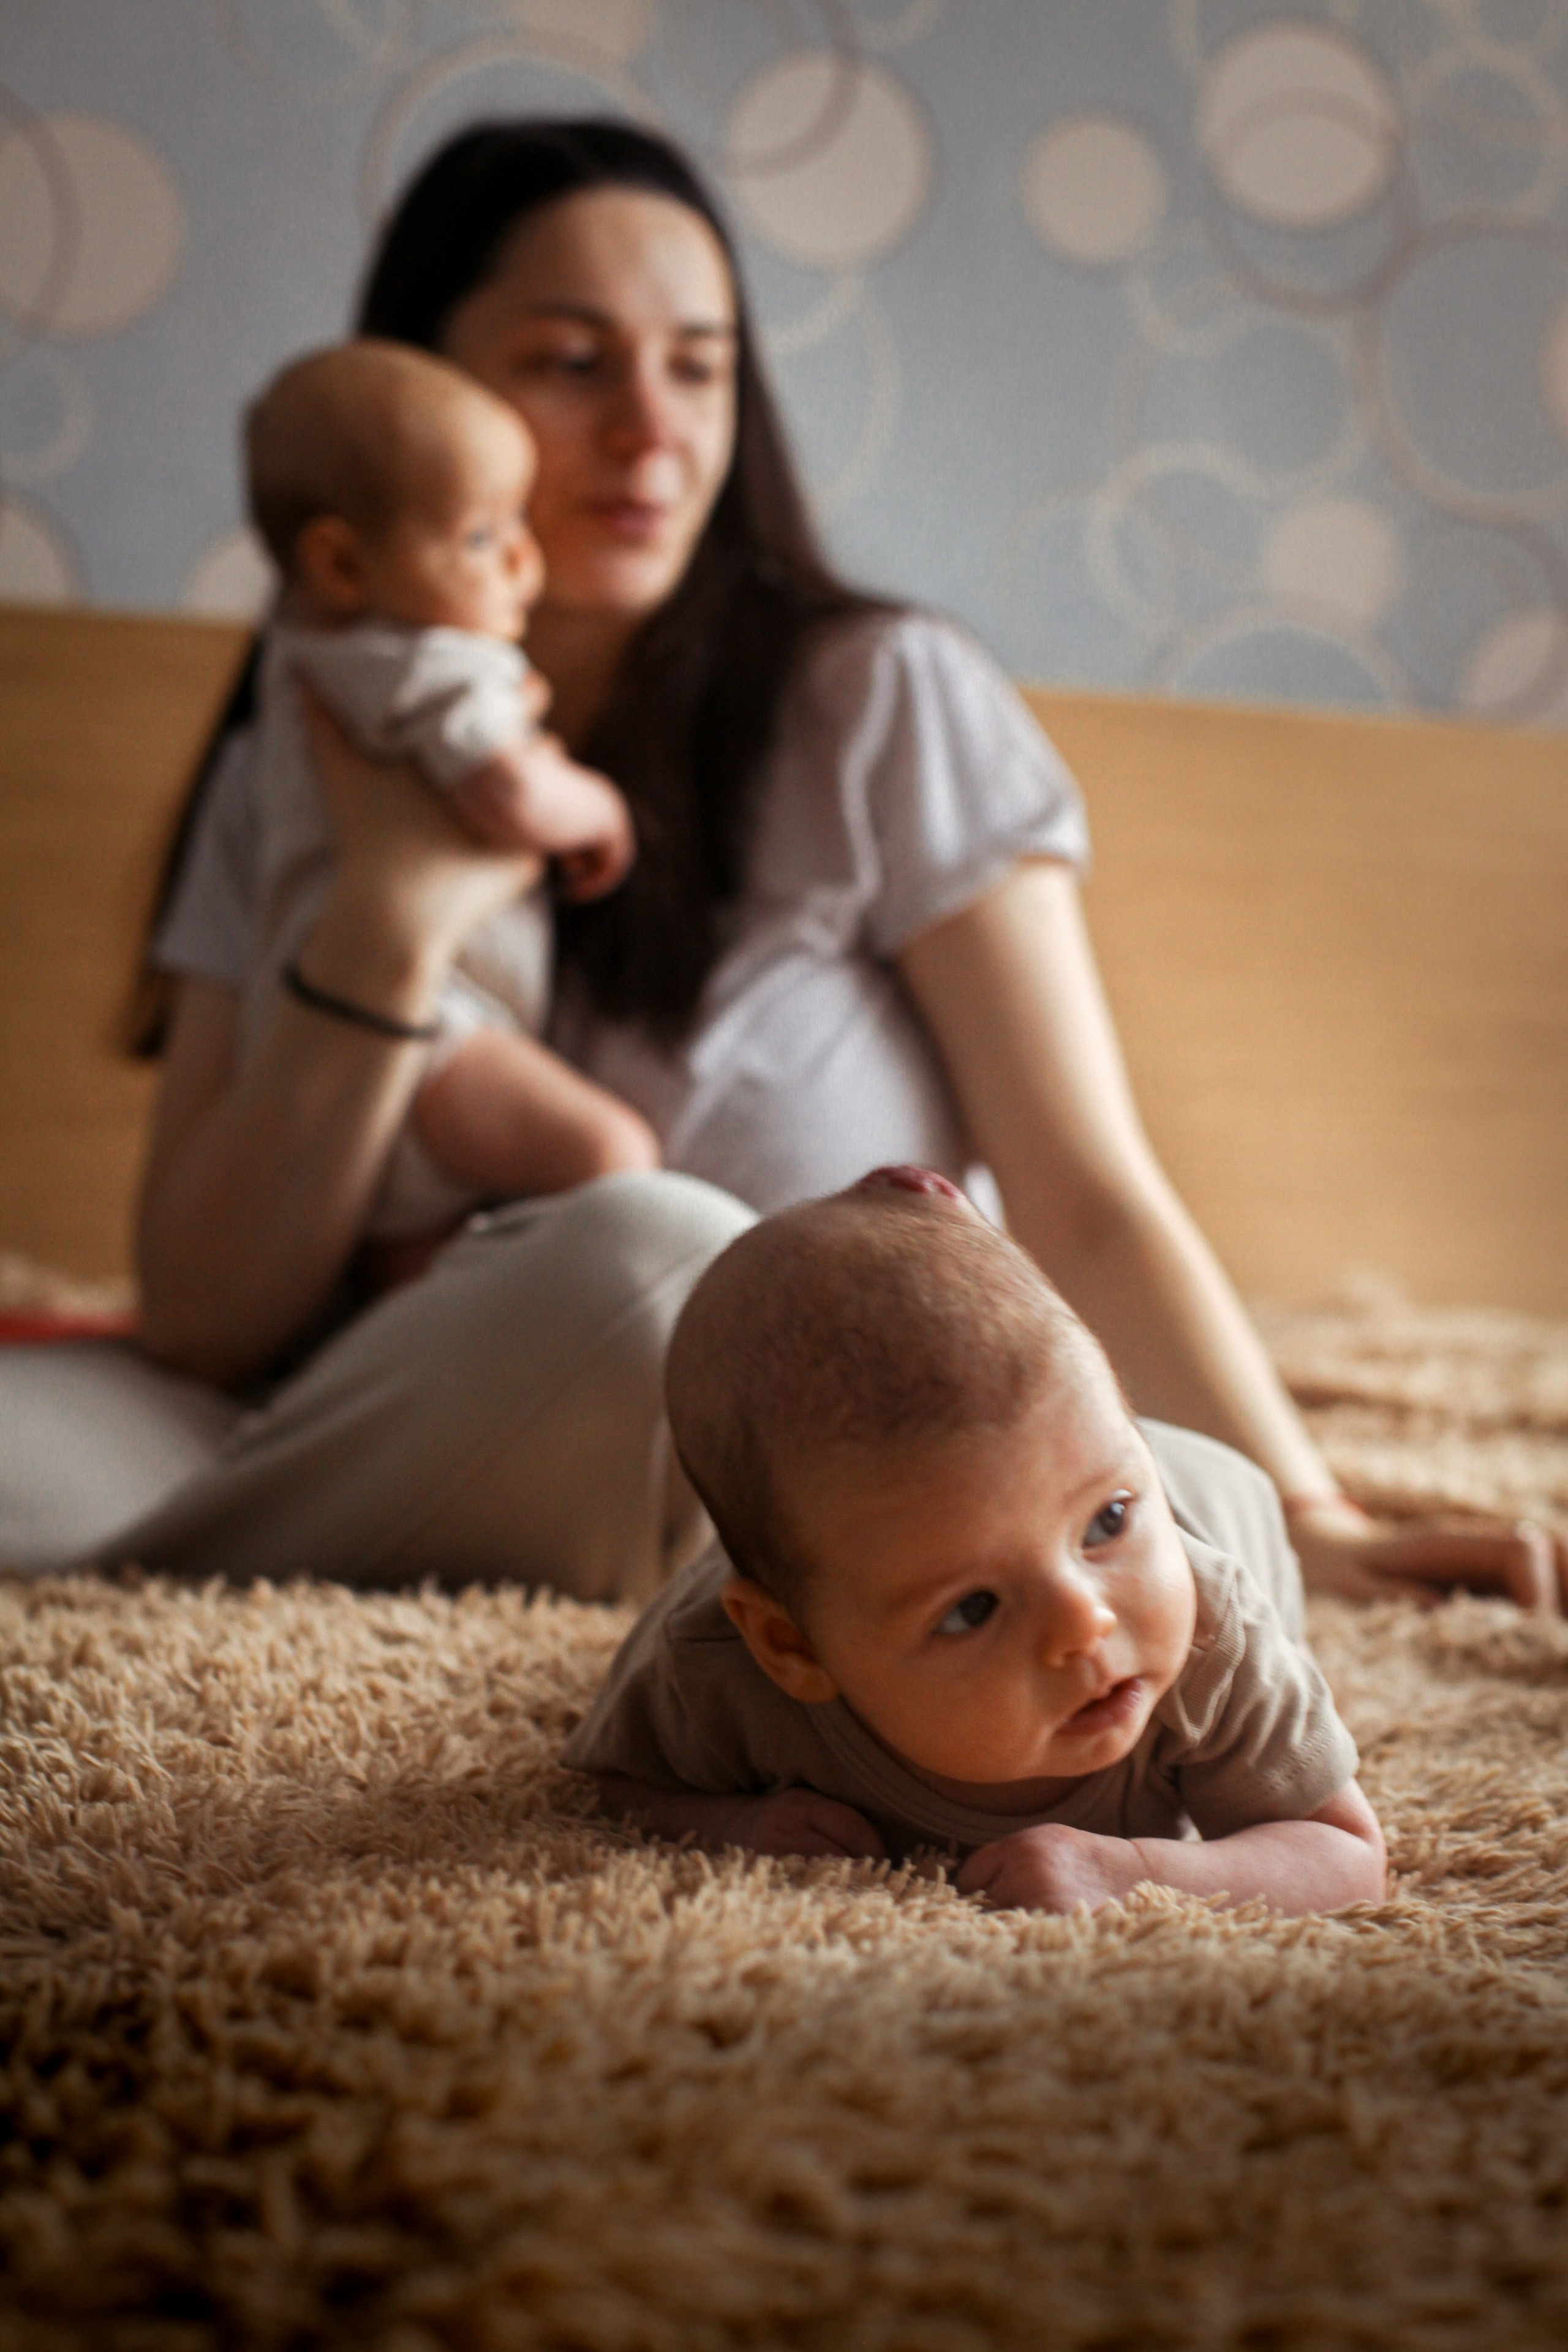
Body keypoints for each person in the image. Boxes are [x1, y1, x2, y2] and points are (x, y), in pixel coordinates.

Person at [3, 116, 1559, 1615]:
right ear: (423, 393)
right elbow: (208, 1323)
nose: (651, 430)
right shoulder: (310, 732)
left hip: (807, 1445)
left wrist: (1312, 1514)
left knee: (676, 1267)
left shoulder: (876, 695)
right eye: (568, 362)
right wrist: (390, 921)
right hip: (380, 1413)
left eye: (697, 367)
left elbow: (1080, 1197)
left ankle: (196, 1560)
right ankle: (213, 1551)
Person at [566, 1167, 1387, 1917]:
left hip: (1212, 1486)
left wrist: (1132, 1870)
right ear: (790, 1645)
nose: (1085, 1624)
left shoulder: (1209, 1631)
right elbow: (613, 1784)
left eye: (1106, 1523)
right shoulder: (714, 1665)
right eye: (974, 1608)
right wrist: (734, 1822)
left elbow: (1346, 1854)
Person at [239, 339, 652, 1249]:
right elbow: (507, 790)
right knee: (613, 1154)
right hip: (434, 1035)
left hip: (342, 1048)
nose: (520, 562)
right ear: (341, 566)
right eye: (480, 537)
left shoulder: (304, 663)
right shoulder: (427, 662)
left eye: (517, 527)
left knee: (426, 1275)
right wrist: (599, 809)